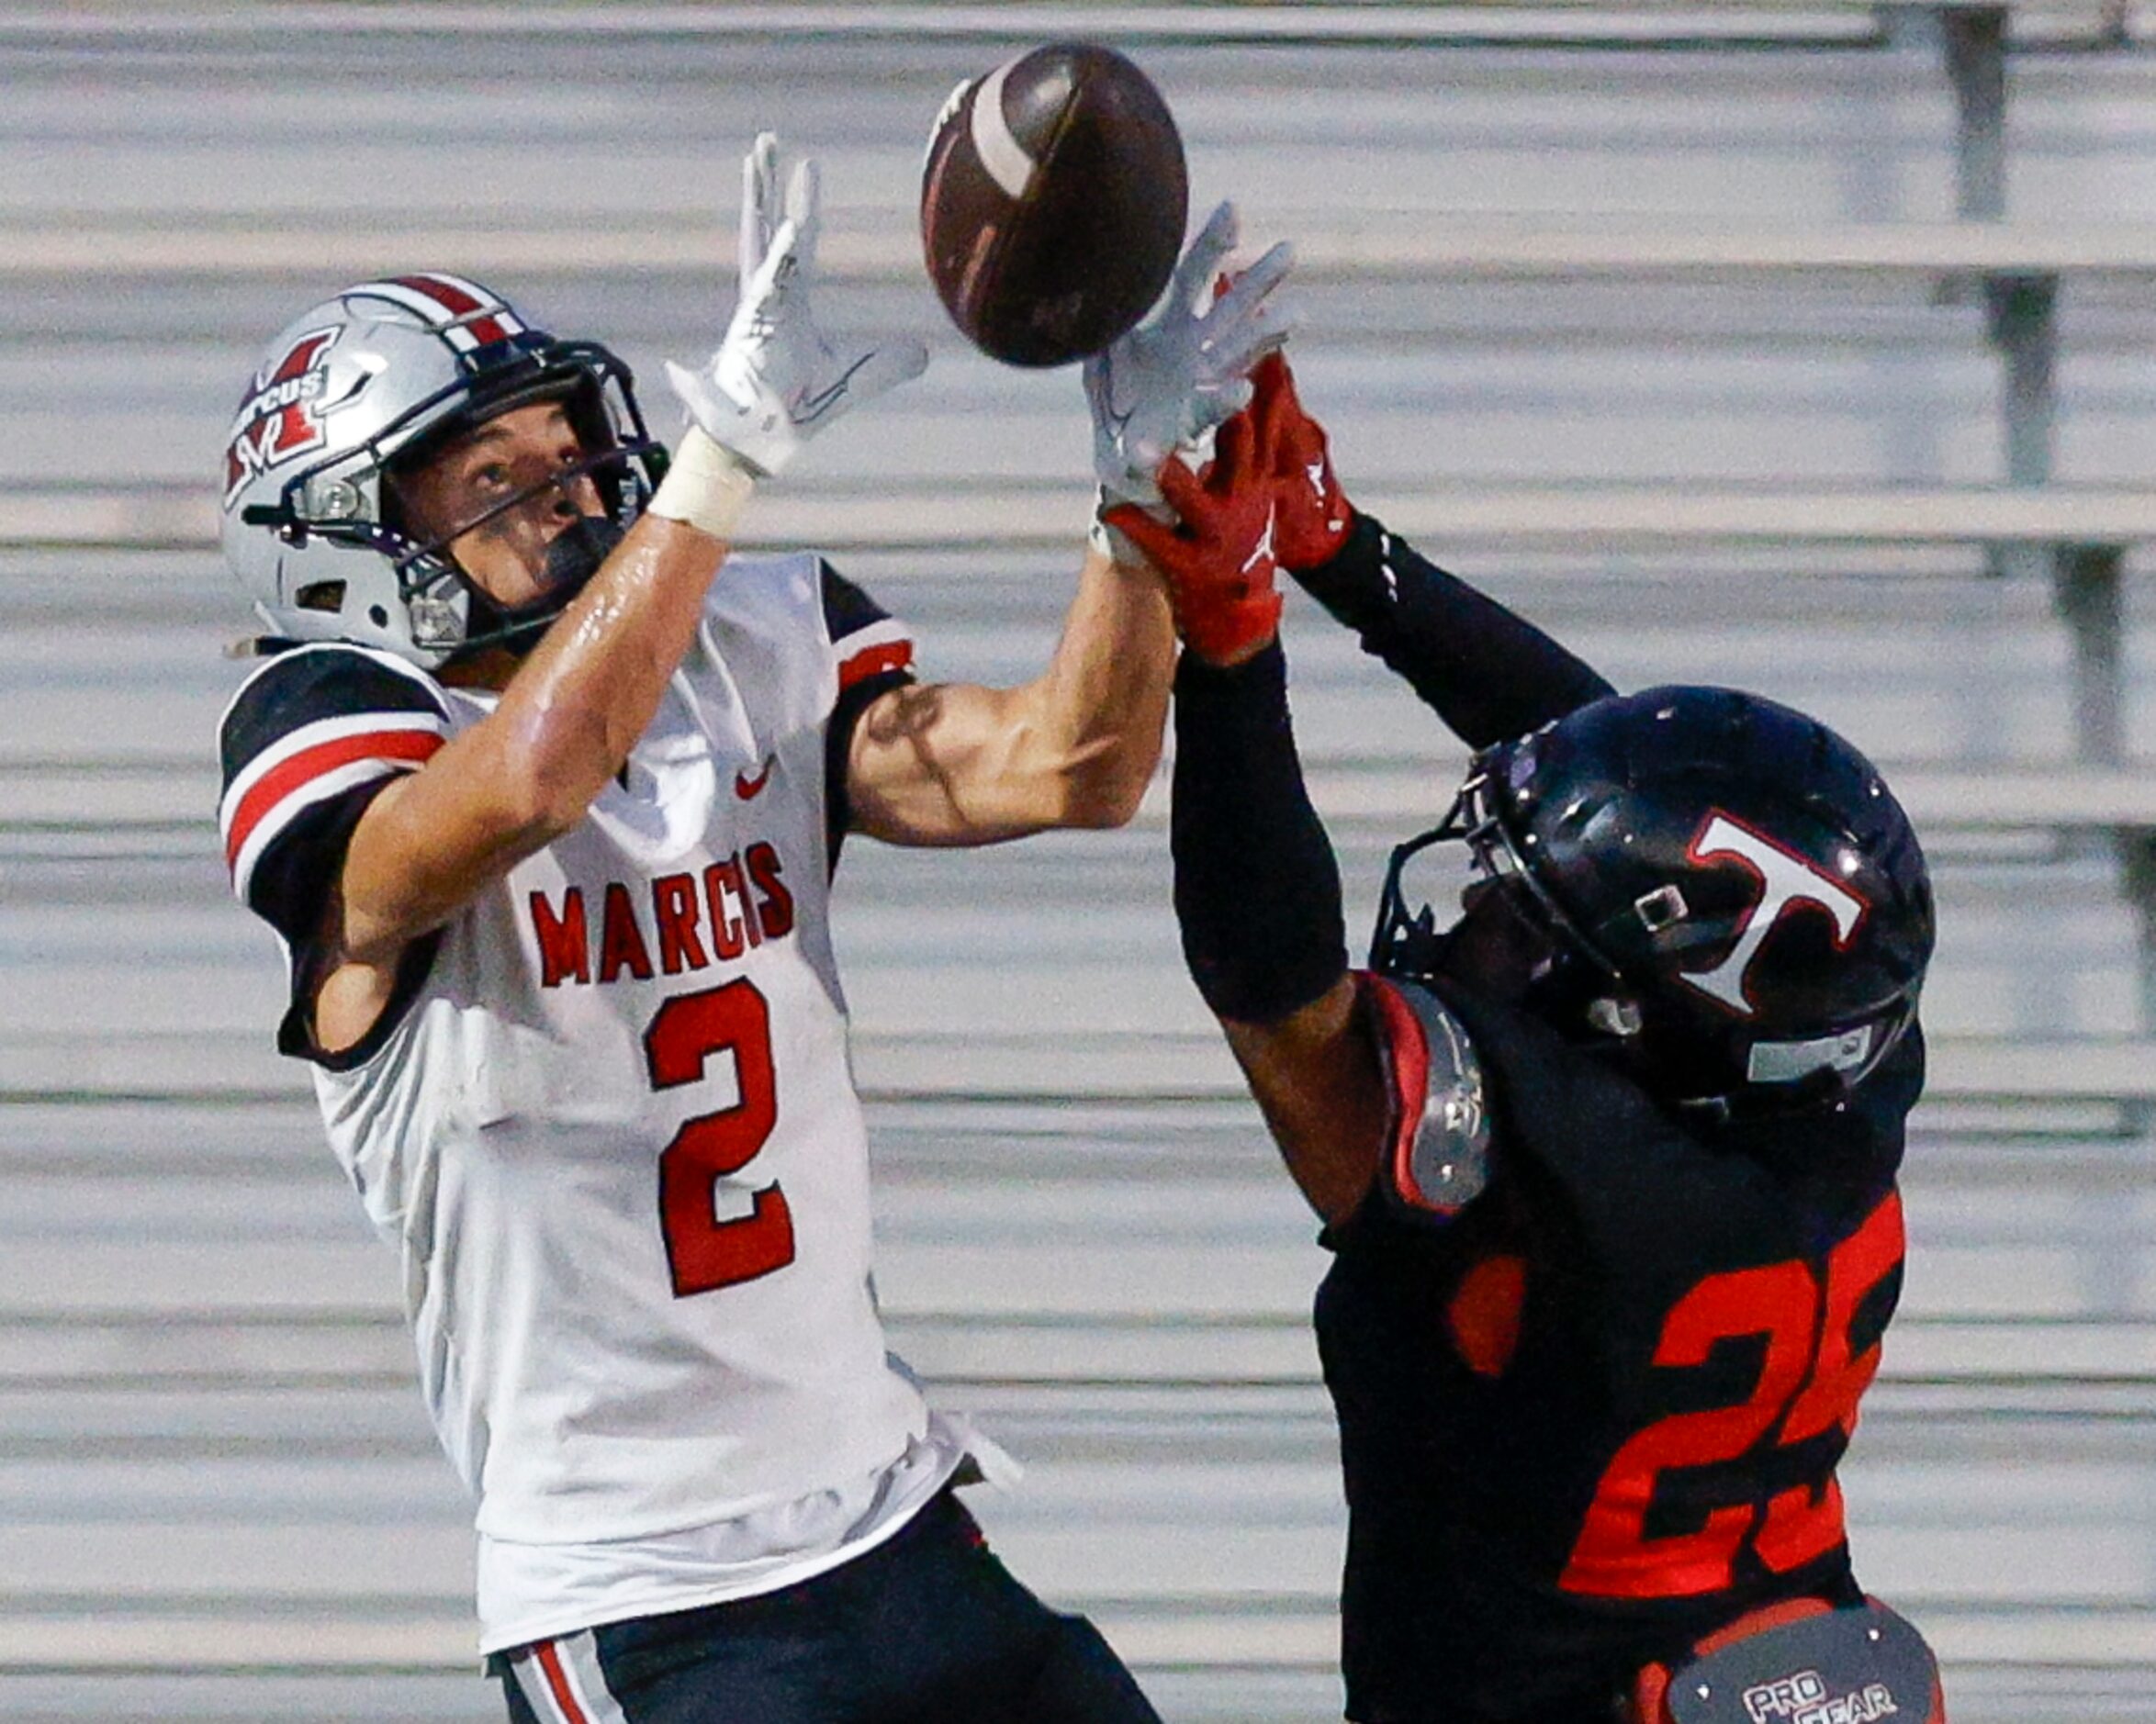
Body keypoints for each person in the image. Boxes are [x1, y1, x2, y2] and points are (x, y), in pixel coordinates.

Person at [214, 134, 1286, 1724]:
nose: (566, 486)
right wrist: (719, 468)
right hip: (646, 1596)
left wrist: (1132, 505)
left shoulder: (742, 636)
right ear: (352, 550)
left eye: (560, 441)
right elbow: (532, 783)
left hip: (891, 1515)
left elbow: (1077, 763)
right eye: (490, 477)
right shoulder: (329, 726)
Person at [1107, 356, 1948, 1724]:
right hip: (1770, 1654)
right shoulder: (1833, 1070)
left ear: (1631, 1011)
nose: (1480, 919)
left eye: (1522, 921)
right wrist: (1346, 556)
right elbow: (1633, 796)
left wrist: (1235, 653)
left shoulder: (1567, 1191)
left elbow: (1276, 992)